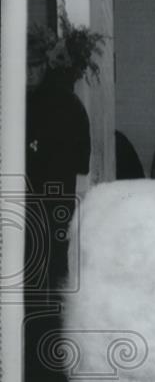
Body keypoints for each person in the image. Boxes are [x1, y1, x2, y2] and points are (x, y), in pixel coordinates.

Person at [25, 28, 92, 291]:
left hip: (52, 205)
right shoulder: (13, 101)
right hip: (23, 207)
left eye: (35, 65)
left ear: (46, 64)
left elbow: (80, 165)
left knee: (53, 276)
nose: (29, 72)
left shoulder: (66, 105)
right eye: (24, 66)